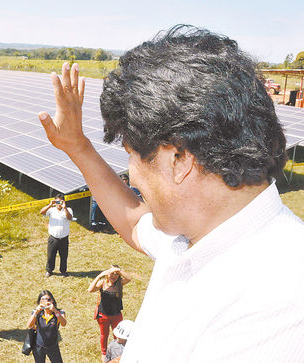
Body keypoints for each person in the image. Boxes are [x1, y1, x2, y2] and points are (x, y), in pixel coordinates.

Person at [37, 25, 304, 361]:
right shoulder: (201, 229)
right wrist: (78, 148)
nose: (131, 174)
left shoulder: (278, 309)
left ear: (180, 160)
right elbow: (135, 223)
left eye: (131, 154)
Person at [88, 265, 131, 362]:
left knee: (118, 335)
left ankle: (119, 351)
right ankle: (104, 353)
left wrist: (119, 270)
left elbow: (129, 278)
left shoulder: (119, 283)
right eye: (112, 274)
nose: (114, 276)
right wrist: (100, 275)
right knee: (104, 334)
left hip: (116, 315)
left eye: (116, 274)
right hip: (103, 315)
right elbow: (90, 289)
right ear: (107, 274)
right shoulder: (102, 283)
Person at [27, 290, 67, 363]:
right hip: (39, 346)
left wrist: (55, 311)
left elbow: (64, 323)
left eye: (49, 299)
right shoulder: (37, 313)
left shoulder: (60, 312)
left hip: (53, 346)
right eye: (43, 299)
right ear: (39, 302)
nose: (46, 302)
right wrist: (36, 312)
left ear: (53, 301)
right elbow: (29, 325)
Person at [40, 193, 73, 277]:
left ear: (64, 202)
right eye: (57, 202)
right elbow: (41, 212)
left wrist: (64, 208)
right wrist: (50, 205)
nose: (59, 205)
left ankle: (63, 271)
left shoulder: (68, 210)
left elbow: (70, 218)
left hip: (64, 238)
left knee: (64, 256)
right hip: (53, 238)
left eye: (60, 202)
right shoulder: (51, 210)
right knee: (51, 256)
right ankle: (49, 270)